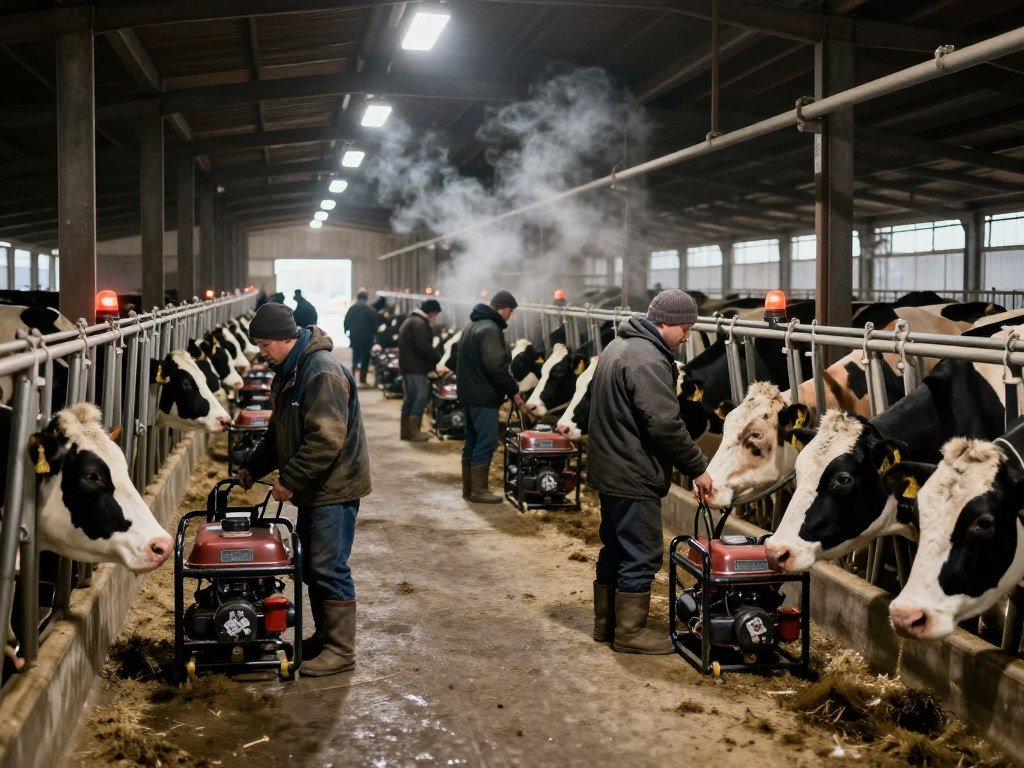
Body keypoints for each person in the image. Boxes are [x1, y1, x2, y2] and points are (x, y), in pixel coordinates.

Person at [238, 302, 371, 677]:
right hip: (316, 485)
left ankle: (341, 651)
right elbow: (279, 431)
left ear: (286, 338)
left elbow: (325, 440)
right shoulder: (288, 372)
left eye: (265, 345)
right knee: (311, 565)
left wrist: (291, 479)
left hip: (335, 486)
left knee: (329, 567)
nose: (262, 353)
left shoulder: (322, 372)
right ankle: (325, 637)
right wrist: (254, 466)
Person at [586, 289, 714, 655]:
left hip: (610, 467)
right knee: (641, 553)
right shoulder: (647, 360)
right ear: (667, 322)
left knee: (615, 547)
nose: (687, 337)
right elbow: (664, 425)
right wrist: (698, 468)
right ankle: (630, 633)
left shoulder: (617, 348)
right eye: (686, 328)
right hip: (633, 471)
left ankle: (606, 626)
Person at [456, 290, 523, 503]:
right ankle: (479, 491)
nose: (510, 315)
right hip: (483, 396)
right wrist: (513, 390)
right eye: (510, 310)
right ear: (500, 308)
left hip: (468, 394)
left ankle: (469, 489)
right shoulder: (490, 329)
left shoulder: (471, 325)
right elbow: (496, 367)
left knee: (472, 440)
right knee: (486, 441)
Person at [398, 298, 443, 442]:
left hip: (408, 367)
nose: (435, 319)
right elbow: (423, 347)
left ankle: (406, 431)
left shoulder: (411, 320)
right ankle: (414, 432)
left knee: (410, 399)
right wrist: (437, 359)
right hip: (416, 369)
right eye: (436, 315)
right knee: (420, 398)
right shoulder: (419, 324)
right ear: (431, 313)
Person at [344, 289, 379, 386]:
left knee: (355, 356)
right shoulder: (370, 310)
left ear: (357, 297)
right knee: (365, 358)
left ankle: (353, 378)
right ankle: (362, 379)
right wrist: (374, 334)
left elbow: (346, 321)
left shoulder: (352, 309)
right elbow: (375, 325)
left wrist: (346, 332)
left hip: (355, 337)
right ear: (366, 298)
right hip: (367, 338)